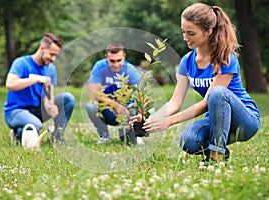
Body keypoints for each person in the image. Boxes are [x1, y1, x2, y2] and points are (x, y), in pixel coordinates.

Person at [134, 3, 261, 162]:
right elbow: (175, 102)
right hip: (216, 120)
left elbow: (207, 102)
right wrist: (150, 120)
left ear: (208, 32)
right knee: (189, 140)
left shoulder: (226, 58)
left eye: (191, 33)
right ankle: (219, 149)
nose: (185, 38)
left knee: (217, 93)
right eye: (183, 32)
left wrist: (170, 121)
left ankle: (216, 155)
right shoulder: (187, 62)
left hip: (245, 120)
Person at [3, 33, 75, 145]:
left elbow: (48, 94)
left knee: (68, 99)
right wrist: (36, 79)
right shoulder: (21, 63)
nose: (53, 59)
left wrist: (50, 107)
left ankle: (56, 138)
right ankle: (19, 133)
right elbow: (10, 84)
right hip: (15, 111)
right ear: (42, 48)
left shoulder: (51, 69)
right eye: (51, 54)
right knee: (36, 124)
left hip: (37, 109)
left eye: (56, 55)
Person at [86, 42, 143, 145]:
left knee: (148, 109)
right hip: (109, 111)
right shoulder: (99, 66)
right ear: (106, 57)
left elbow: (141, 95)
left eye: (119, 60)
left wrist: (139, 116)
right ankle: (104, 136)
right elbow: (92, 93)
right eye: (112, 61)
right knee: (90, 106)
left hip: (128, 112)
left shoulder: (131, 70)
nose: (116, 65)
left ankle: (136, 134)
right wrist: (115, 105)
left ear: (124, 57)